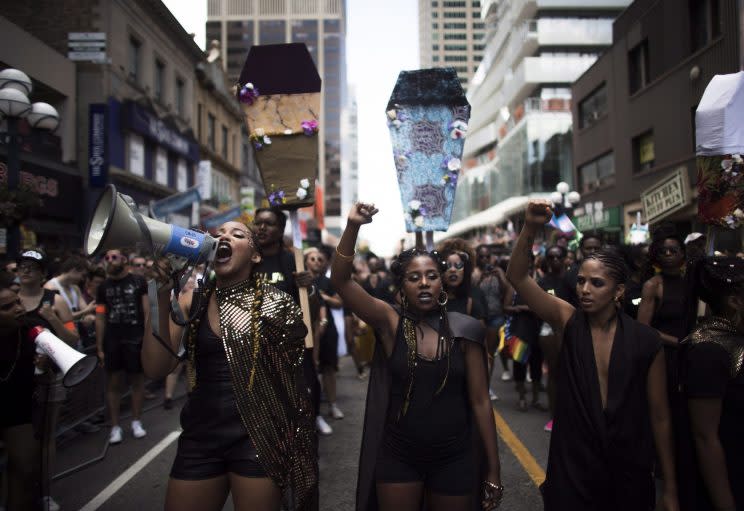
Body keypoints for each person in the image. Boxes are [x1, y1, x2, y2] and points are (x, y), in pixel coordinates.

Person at [506, 200, 678, 511]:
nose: (585, 289)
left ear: (619, 291)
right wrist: (531, 226)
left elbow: (660, 415)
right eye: (582, 281)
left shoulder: (646, 340)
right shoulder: (567, 320)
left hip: (629, 465)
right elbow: (517, 277)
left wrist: (670, 488)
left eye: (596, 283)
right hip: (574, 462)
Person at [332, 203, 503, 511]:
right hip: (399, 456)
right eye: (414, 278)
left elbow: (480, 402)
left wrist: (493, 469)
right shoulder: (390, 324)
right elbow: (342, 281)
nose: (424, 283)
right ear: (402, 288)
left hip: (455, 457)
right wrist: (353, 226)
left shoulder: (466, 331)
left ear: (442, 284)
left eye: (431, 276)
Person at [142, 221, 317, 511]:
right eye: (219, 233)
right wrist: (160, 292)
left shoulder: (277, 305)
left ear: (255, 255)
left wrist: (293, 442)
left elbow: (293, 385)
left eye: (237, 235)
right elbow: (155, 368)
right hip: (201, 436)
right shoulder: (191, 300)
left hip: (259, 438)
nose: (224, 236)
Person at [251, 207, 329, 437]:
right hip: (255, 343)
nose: (262, 228)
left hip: (290, 344)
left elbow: (311, 308)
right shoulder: (247, 260)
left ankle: (310, 424)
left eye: (269, 224)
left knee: (305, 388)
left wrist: (309, 288)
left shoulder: (293, 261)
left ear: (282, 229)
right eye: (258, 223)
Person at [676, 257, 744, 511]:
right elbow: (705, 437)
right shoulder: (708, 351)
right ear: (734, 301)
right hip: (727, 478)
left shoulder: (736, 337)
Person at [17, 249, 78, 511]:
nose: (26, 269)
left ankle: (44, 492)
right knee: (18, 442)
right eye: (22, 265)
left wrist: (52, 317)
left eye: (32, 266)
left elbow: (73, 340)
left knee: (46, 439)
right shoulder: (10, 300)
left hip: (49, 380)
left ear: (43, 274)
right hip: (14, 382)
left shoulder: (54, 301)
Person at [95, 249, 149, 444]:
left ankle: (136, 421)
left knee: (137, 381)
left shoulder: (138, 282)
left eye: (114, 257)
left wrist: (148, 337)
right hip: (113, 340)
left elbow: (146, 311)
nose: (110, 260)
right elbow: (100, 316)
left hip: (135, 338)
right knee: (114, 383)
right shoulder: (102, 287)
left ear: (124, 260)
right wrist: (100, 346)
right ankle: (115, 427)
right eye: (107, 257)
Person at [0, 271, 43, 511]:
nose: (18, 308)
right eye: (7, 307)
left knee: (26, 469)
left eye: (17, 301)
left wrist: (45, 365)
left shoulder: (29, 329)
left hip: (18, 409)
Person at [501, 255, 545, 413]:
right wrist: (522, 308)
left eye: (529, 262)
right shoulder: (513, 286)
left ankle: (535, 399)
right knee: (519, 366)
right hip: (519, 331)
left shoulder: (539, 282)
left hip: (537, 331)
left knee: (536, 366)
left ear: (533, 264)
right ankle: (521, 398)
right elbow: (505, 307)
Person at [305, 248, 344, 421]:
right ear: (306, 262)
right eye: (312, 259)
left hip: (327, 330)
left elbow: (338, 303)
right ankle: (314, 411)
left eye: (320, 259)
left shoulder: (328, 282)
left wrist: (323, 297)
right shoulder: (299, 281)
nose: (316, 262)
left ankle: (333, 405)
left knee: (328, 368)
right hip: (306, 330)